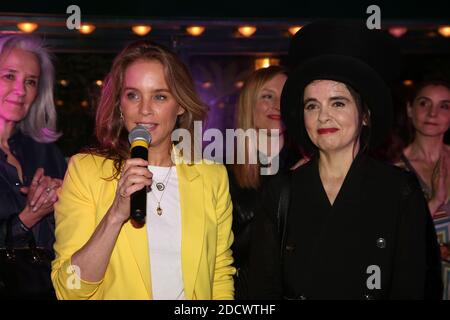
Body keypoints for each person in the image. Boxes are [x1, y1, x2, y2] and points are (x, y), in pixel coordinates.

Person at [248, 21, 442, 300]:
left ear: (365, 115)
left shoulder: (399, 190)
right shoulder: (281, 192)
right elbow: (262, 292)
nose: (323, 116)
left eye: (338, 103)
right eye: (312, 105)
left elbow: (417, 288)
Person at [51, 40, 235, 300]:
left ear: (180, 104)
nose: (145, 109)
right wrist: (115, 214)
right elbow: (68, 289)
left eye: (160, 96)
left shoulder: (211, 176)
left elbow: (219, 273)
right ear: (120, 104)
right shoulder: (86, 171)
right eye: (133, 95)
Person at [0, 35, 66, 298]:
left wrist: (65, 201)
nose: (20, 90)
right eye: (9, 76)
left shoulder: (47, 153)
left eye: (30, 81)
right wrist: (27, 218)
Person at [227, 66, 301, 299]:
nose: (278, 105)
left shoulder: (309, 166)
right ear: (249, 104)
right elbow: (222, 251)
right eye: (268, 96)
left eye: (285, 97)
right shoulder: (222, 171)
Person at [394, 78, 450, 298]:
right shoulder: (393, 170)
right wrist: (436, 200)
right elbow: (392, 235)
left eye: (444, 106)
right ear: (410, 109)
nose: (432, 113)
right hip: (422, 285)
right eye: (424, 103)